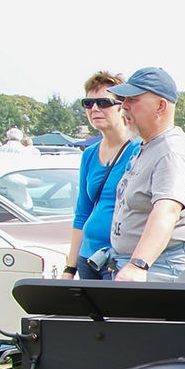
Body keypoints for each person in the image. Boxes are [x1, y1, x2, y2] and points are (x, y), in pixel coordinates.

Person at [106, 67, 185, 281]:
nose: (124, 106)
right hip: (153, 266)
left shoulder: (171, 151)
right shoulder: (150, 146)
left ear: (160, 106)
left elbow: (167, 210)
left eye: (133, 99)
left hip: (166, 268)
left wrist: (137, 265)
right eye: (124, 99)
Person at [63, 71, 141, 279]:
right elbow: (82, 212)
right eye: (88, 103)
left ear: (122, 106)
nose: (95, 109)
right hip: (88, 257)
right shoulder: (89, 154)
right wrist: (70, 268)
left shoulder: (139, 151)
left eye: (103, 102)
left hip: (119, 260)